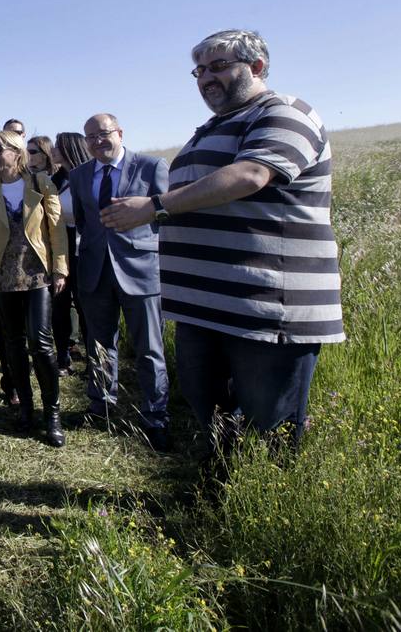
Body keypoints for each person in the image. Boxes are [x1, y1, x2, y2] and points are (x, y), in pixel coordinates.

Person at [102, 29, 344, 457]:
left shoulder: (285, 112)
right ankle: (221, 500)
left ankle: (268, 513)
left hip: (265, 308)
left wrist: (154, 207)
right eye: (199, 71)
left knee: (270, 427)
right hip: (206, 307)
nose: (206, 78)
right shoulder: (211, 127)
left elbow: (250, 176)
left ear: (257, 66)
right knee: (211, 417)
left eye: (218, 66)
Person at [69, 113, 171, 450]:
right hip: (96, 272)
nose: (98, 141)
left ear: (120, 132)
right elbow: (85, 223)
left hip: (140, 271)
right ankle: (102, 405)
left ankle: (155, 415)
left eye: (104, 134)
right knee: (99, 345)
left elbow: (167, 213)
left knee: (149, 348)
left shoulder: (150, 167)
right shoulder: (80, 175)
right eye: (91, 137)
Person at [0, 131, 69, 446]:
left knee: (40, 344)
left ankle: (51, 413)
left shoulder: (41, 184)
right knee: (13, 346)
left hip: (37, 274)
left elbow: (56, 231)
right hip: (2, 277)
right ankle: (26, 409)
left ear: (16, 151)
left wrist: (60, 269)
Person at [50, 132, 91, 374]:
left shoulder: (87, 177)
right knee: (60, 306)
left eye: (59, 146)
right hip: (60, 251)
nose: (53, 150)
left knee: (87, 309)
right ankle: (63, 357)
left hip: (85, 251)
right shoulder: (54, 180)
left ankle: (93, 361)